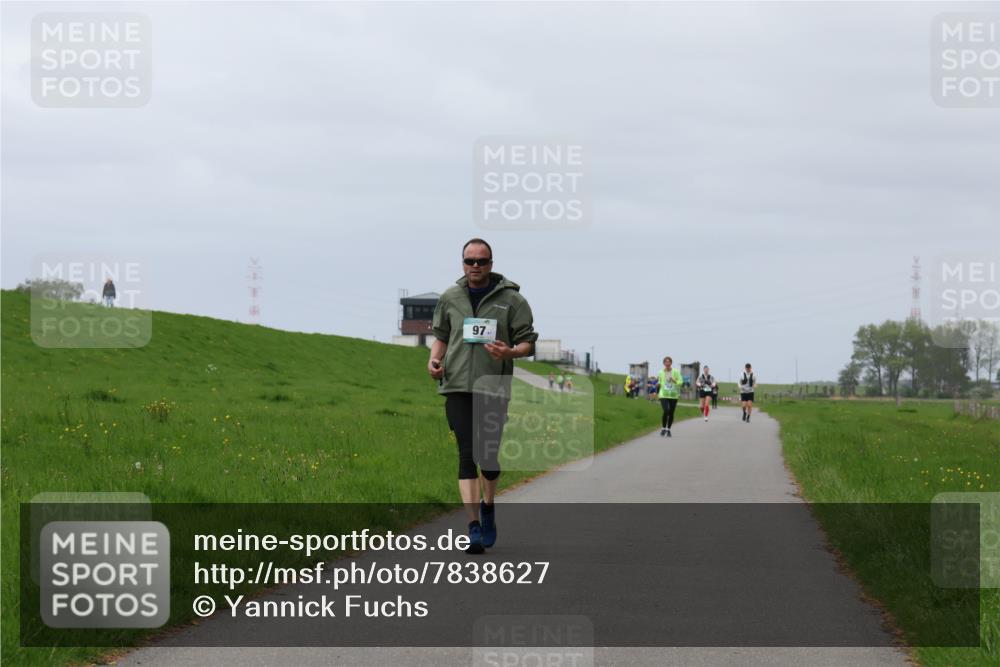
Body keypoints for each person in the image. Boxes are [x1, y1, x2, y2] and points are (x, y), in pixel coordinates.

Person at [428, 238, 537, 554]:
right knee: (466, 455)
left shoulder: (512, 300)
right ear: (462, 263)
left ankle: (489, 506)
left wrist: (511, 351)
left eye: (482, 261)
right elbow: (441, 337)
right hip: (457, 385)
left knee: (487, 457)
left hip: (493, 386)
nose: (475, 267)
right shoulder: (450, 297)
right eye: (469, 261)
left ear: (491, 263)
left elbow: (527, 341)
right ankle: (473, 526)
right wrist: (434, 361)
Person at [658, 356, 683, 437]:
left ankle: (668, 429)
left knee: (671, 412)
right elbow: (660, 381)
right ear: (664, 363)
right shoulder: (661, 372)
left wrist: (674, 380)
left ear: (671, 363)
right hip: (663, 394)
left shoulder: (676, 372)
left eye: (669, 362)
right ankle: (663, 428)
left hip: (673, 395)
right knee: (666, 410)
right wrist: (658, 384)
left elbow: (680, 382)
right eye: (666, 362)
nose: (667, 363)